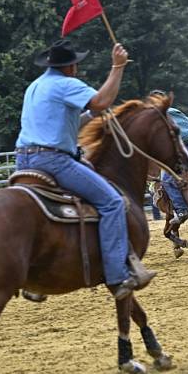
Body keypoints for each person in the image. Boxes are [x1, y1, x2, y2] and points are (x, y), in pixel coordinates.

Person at [15, 39, 155, 300]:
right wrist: (117, 67)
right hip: (53, 161)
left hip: (24, 161)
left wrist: (92, 117)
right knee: (112, 202)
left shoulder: (36, 86)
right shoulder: (66, 84)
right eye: (76, 64)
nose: (77, 69)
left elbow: (64, 122)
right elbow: (101, 101)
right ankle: (117, 274)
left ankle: (35, 278)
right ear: (70, 67)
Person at [148, 90, 188, 226]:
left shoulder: (160, 114)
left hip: (185, 148)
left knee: (167, 180)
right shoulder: (174, 110)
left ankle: (182, 209)